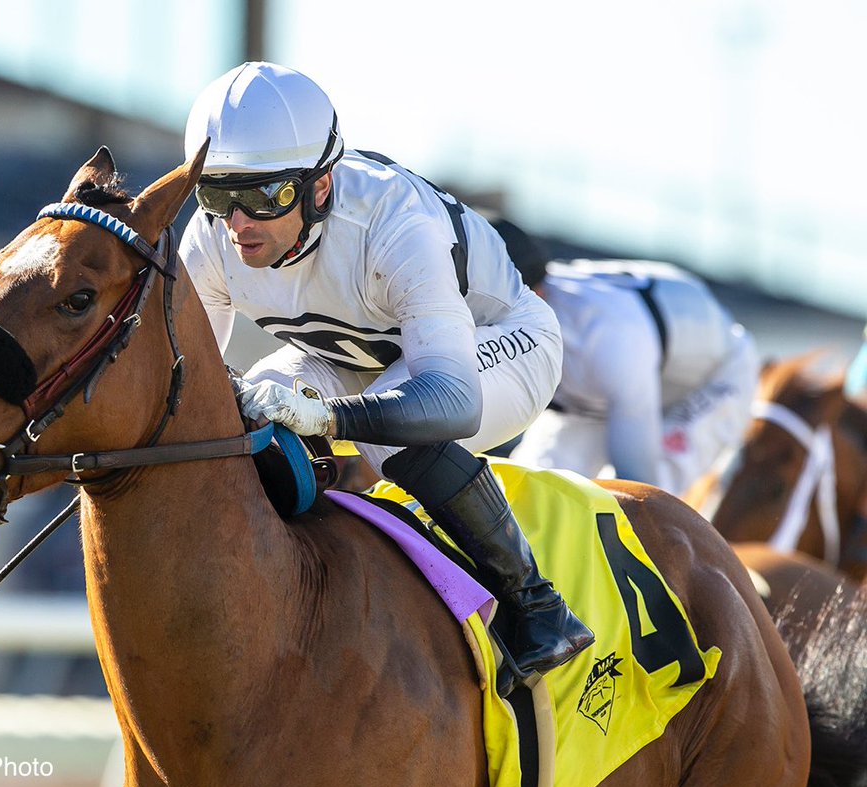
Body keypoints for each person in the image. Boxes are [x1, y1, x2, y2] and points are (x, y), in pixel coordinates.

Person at [180, 62, 593, 694]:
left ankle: (536, 604)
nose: (237, 223)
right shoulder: (212, 237)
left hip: (501, 345)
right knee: (247, 411)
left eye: (264, 197)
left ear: (321, 188)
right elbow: (189, 389)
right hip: (358, 360)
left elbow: (449, 401)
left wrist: (329, 419)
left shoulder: (393, 221)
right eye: (217, 195)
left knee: (387, 427)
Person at [492, 218, 760, 496]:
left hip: (712, 377)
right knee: (525, 496)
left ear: (537, 294)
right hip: (603, 394)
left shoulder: (607, 335)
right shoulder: (541, 307)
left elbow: (639, 486)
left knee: (642, 502)